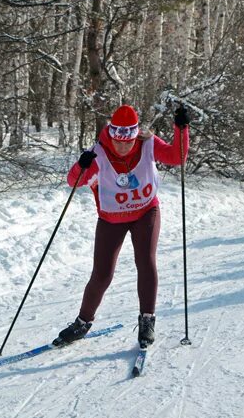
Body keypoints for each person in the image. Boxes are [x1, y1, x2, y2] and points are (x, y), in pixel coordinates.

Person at [56, 104, 190, 347]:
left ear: (135, 135)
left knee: (146, 262)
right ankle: (82, 323)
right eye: (118, 141)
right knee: (102, 274)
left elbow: (176, 157)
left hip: (145, 212)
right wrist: (81, 165)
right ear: (112, 134)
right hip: (111, 219)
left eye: (128, 142)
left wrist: (181, 129)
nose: (123, 146)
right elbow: (72, 181)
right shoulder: (98, 152)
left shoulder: (148, 143)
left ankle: (147, 320)